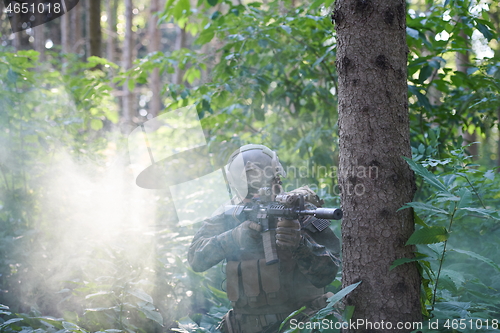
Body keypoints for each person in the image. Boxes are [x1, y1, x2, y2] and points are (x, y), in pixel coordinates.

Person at [188, 144, 341, 333]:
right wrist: (234, 237)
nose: (258, 197)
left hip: (302, 324)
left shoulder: (300, 212)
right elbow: (196, 259)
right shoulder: (229, 215)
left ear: (276, 180)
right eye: (250, 194)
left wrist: (300, 244)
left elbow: (329, 273)